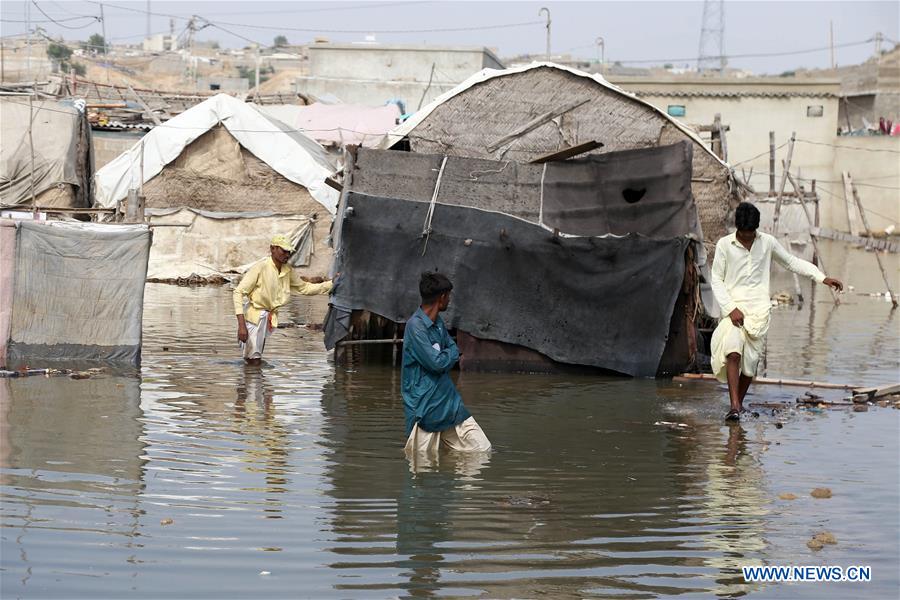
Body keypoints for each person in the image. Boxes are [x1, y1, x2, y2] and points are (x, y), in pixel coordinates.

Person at [710, 202, 843, 421]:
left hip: (759, 312)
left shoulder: (768, 242)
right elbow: (716, 279)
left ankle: (739, 406)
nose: (747, 238)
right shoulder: (725, 245)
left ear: (756, 229)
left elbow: (792, 262)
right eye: (743, 235)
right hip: (732, 310)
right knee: (732, 352)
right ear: (737, 229)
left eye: (750, 234)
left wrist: (822, 278)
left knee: (750, 366)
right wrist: (730, 308)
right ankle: (734, 407)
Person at [402, 272, 491, 456]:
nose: (449, 301)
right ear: (442, 297)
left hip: (448, 403)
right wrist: (448, 355)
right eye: (448, 296)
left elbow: (451, 349)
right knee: (420, 465)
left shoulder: (438, 323)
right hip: (424, 407)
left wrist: (447, 354)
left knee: (482, 450)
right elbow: (437, 363)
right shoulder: (415, 327)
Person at [233, 234, 333, 364]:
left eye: (289, 252)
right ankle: (252, 382)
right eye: (284, 251)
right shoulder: (261, 267)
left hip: (267, 318)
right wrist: (241, 326)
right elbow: (238, 292)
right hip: (253, 319)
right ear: (272, 249)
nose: (287, 255)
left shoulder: (287, 270)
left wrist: (331, 284)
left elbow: (304, 288)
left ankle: (252, 383)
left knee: (254, 359)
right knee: (254, 360)